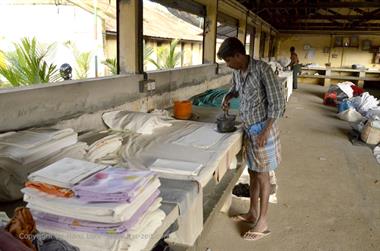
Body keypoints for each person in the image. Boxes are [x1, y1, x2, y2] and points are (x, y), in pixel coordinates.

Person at [218, 37, 285, 241]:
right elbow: (237, 89)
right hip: (249, 128)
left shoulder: (262, 70)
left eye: (229, 61)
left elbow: (278, 103)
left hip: (263, 129)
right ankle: (253, 212)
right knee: (253, 171)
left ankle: (263, 223)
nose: (228, 65)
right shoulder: (238, 71)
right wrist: (228, 96)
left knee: (263, 175)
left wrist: (265, 131)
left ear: (239, 55)